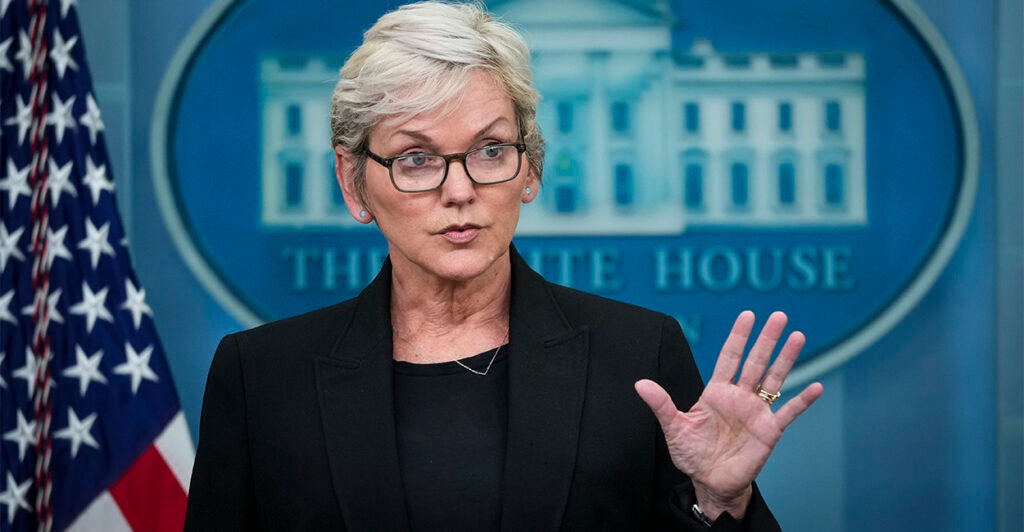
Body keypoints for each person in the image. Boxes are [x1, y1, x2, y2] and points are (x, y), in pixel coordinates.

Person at [184, 2, 824, 530]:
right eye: (416, 158)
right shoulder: (262, 377)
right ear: (354, 184)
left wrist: (718, 503)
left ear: (531, 169)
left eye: (490, 149)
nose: (459, 189)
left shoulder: (638, 355)